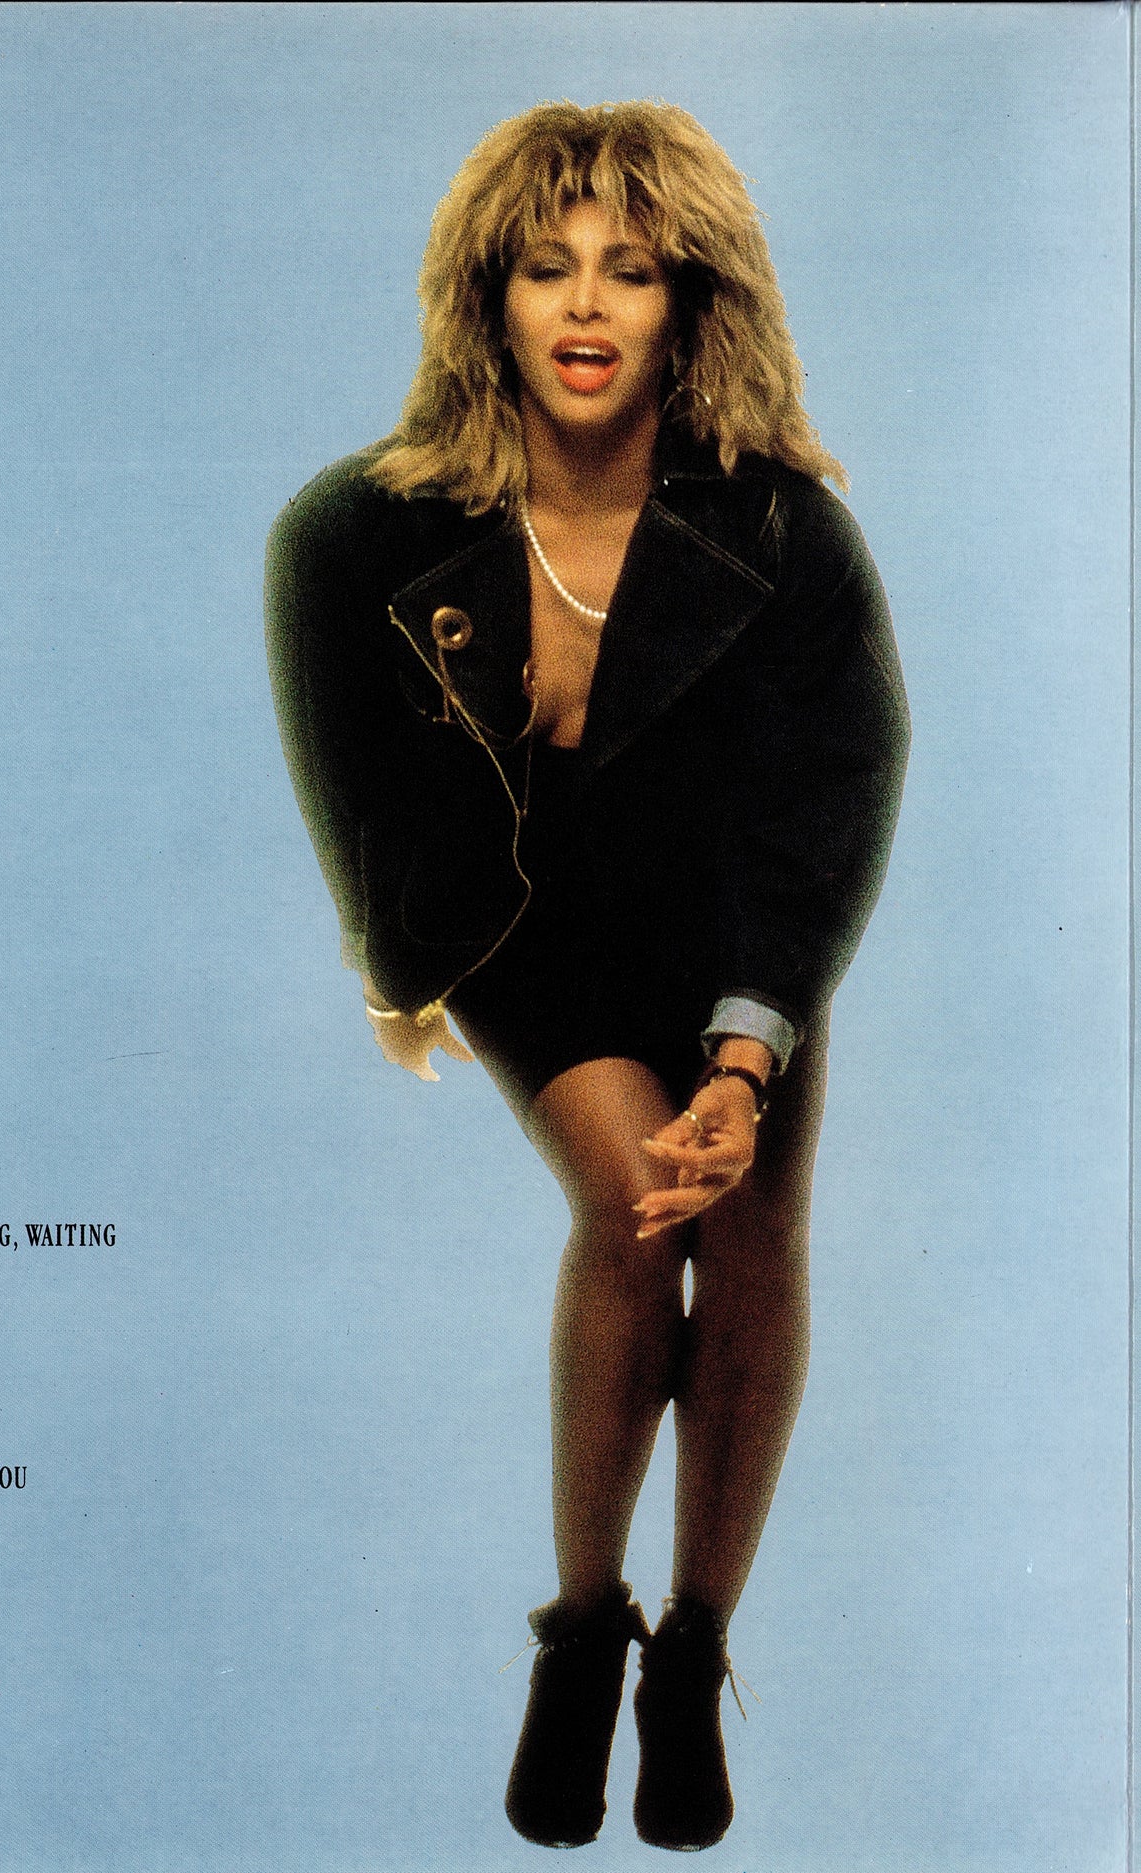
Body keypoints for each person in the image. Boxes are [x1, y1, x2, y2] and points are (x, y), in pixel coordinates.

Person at [265, 102, 907, 1851]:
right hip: (518, 924)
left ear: (691, 303)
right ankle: (581, 1631)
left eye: (629, 269)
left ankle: (691, 1649)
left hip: (733, 924)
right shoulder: (352, 533)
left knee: (748, 1219)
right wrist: (396, 973)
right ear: (487, 295)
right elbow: (356, 795)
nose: (583, 303)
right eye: (545, 266)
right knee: (636, 1201)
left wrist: (745, 1053)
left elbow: (830, 794)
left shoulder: (784, 532)